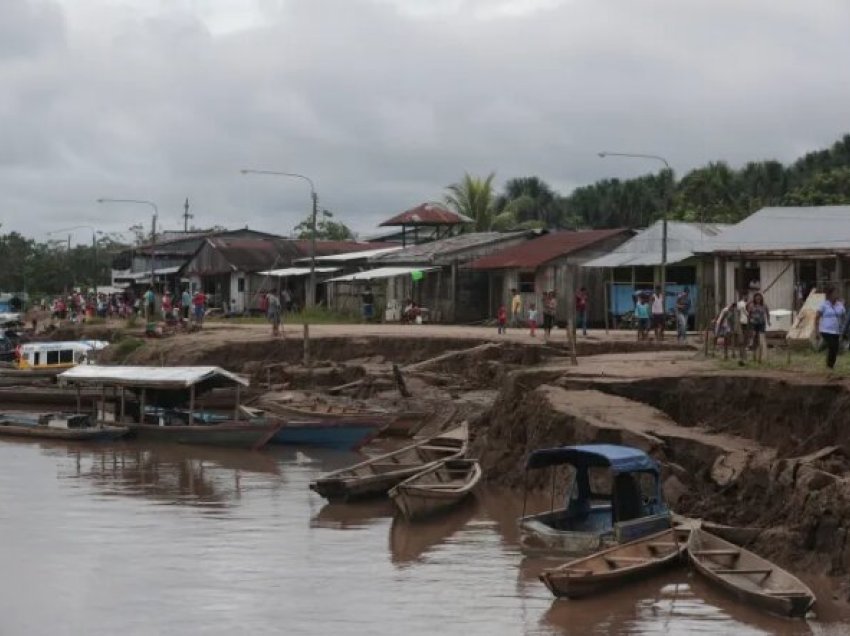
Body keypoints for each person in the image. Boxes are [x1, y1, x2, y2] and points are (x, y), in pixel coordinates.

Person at [815, 286, 845, 370]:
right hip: (826, 330)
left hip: (836, 330)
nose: (836, 295)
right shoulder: (824, 305)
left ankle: (831, 365)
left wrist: (842, 326)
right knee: (832, 346)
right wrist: (817, 330)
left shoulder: (840, 305)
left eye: (837, 293)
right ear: (830, 295)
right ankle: (829, 365)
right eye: (835, 293)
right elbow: (817, 317)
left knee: (835, 348)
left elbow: (843, 315)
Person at [747, 292, 770, 363]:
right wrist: (749, 321)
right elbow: (749, 314)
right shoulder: (752, 305)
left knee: (761, 338)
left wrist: (768, 321)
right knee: (754, 336)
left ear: (761, 298)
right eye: (756, 298)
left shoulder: (764, 305)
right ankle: (752, 350)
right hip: (754, 323)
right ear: (754, 298)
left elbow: (767, 313)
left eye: (759, 298)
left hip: (761, 323)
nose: (758, 299)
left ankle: (761, 355)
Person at [735, 291, 750, 363]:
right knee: (742, 339)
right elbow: (739, 313)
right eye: (745, 296)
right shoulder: (741, 304)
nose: (746, 297)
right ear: (743, 296)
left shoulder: (747, 304)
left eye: (747, 296)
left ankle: (744, 356)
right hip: (741, 322)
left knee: (745, 339)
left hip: (746, 322)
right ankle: (741, 356)